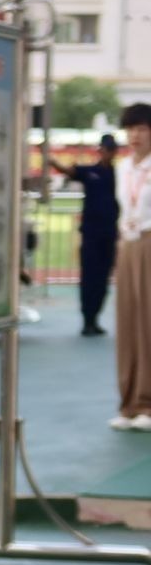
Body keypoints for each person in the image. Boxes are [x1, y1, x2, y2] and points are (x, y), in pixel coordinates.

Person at [54, 134, 120, 337]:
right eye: (104, 149)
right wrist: (50, 158)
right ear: (100, 151)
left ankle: (96, 318)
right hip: (91, 233)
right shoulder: (90, 171)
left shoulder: (119, 175)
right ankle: (87, 319)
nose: (107, 153)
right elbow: (69, 171)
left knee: (103, 278)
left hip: (110, 234)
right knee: (89, 277)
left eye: (110, 149)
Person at [115, 105, 151, 430]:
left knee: (148, 321)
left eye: (141, 129)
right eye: (130, 129)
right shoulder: (123, 167)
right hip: (128, 242)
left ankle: (147, 402)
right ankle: (128, 402)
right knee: (126, 321)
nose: (134, 136)